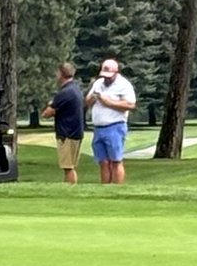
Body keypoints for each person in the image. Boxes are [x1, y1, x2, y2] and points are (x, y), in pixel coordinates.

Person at [85, 55, 137, 184]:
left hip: (115, 126)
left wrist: (109, 102)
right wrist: (92, 98)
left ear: (116, 72)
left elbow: (131, 105)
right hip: (98, 127)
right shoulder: (98, 83)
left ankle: (117, 187)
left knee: (116, 160)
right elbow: (86, 102)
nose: (106, 79)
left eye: (109, 76)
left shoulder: (124, 85)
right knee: (103, 161)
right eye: (104, 76)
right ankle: (105, 187)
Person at [49, 61, 86, 184]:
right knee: (70, 165)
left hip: (67, 134)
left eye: (57, 72)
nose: (56, 75)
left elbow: (47, 113)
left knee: (68, 167)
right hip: (76, 132)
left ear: (61, 73)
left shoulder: (65, 92)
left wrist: (51, 104)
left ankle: (70, 188)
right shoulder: (76, 89)